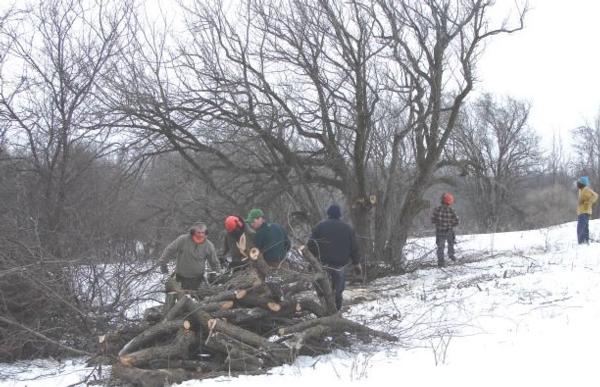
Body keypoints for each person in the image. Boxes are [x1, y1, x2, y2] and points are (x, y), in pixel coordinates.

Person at [307, 204, 361, 311]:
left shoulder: (320, 227)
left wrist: (311, 261)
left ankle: (325, 308)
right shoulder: (347, 228)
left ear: (328, 214)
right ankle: (336, 310)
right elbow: (354, 248)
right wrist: (356, 263)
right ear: (340, 215)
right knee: (338, 292)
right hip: (340, 265)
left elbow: (311, 245)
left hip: (323, 264)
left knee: (323, 289)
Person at [157, 222, 221, 290]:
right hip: (180, 278)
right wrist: (163, 263)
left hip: (198, 280)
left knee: (197, 299)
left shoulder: (209, 245)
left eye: (203, 232)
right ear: (193, 232)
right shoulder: (183, 240)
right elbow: (170, 250)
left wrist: (217, 274)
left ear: (206, 232)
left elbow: (214, 262)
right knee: (180, 298)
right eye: (198, 232)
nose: (201, 235)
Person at [431, 193, 459, 267]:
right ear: (450, 202)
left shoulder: (437, 209)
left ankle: (441, 262)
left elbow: (432, 220)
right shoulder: (451, 210)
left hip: (440, 231)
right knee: (451, 245)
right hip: (449, 231)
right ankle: (452, 257)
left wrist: (439, 224)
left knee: (440, 247)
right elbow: (457, 221)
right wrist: (450, 224)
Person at [576, 176, 598, 244]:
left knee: (581, 228)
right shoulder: (581, 190)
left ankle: (582, 243)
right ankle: (585, 242)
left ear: (582, 183)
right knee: (584, 227)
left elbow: (595, 195)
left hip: (585, 212)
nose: (577, 184)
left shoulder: (586, 189)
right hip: (582, 212)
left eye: (578, 182)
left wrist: (587, 203)